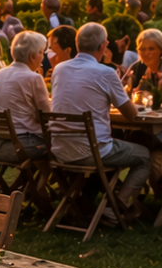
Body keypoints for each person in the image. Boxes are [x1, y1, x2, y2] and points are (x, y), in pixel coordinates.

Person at [47, 23, 149, 220]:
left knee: (109, 142)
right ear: (104, 46)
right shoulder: (106, 72)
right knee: (144, 155)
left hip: (59, 150)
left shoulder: (59, 69)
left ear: (77, 45)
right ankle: (117, 205)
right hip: (92, 152)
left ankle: (87, 198)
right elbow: (130, 115)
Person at [0, 31, 52, 162]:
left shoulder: (0, 73)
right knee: (59, 147)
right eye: (42, 53)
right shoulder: (34, 78)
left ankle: (31, 183)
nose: (43, 57)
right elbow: (44, 117)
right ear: (33, 56)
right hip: (24, 144)